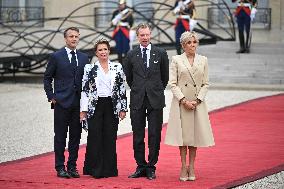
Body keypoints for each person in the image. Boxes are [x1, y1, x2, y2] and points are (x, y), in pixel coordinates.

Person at [164, 31, 215, 181]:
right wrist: (184, 100)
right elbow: (172, 83)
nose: (192, 45)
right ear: (183, 45)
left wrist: (198, 100)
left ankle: (192, 166)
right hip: (182, 103)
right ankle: (183, 165)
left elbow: (206, 83)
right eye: (189, 43)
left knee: (194, 136)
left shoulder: (203, 60)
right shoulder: (176, 60)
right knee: (183, 136)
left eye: (194, 42)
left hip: (197, 103)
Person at [123, 23, 169, 180]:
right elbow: (129, 78)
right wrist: (140, 89)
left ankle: (151, 166)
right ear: (137, 37)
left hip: (155, 99)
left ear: (151, 35)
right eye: (142, 35)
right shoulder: (130, 55)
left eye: (147, 34)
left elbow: (165, 78)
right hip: (137, 99)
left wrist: (153, 89)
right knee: (137, 135)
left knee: (154, 134)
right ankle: (140, 165)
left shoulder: (161, 53)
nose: (145, 37)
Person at [43, 27, 89, 178]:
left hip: (78, 104)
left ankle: (72, 166)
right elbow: (47, 78)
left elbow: (87, 81)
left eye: (76, 36)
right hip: (61, 103)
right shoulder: (56, 56)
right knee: (60, 137)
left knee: (76, 137)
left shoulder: (84, 57)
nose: (74, 39)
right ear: (65, 39)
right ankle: (60, 167)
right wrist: (51, 96)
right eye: (71, 36)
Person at [80, 38, 127, 179]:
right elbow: (85, 90)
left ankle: (110, 170)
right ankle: (95, 170)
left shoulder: (117, 67)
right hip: (95, 106)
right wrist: (83, 110)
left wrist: (123, 108)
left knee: (110, 136)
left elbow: (121, 88)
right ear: (96, 52)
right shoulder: (89, 68)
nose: (103, 52)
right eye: (100, 50)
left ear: (109, 51)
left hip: (111, 106)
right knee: (94, 136)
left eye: (105, 49)